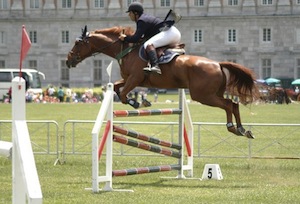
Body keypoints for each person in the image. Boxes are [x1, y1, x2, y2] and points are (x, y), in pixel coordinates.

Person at [119, 1, 181, 75]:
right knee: (151, 44)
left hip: (169, 33)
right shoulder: (144, 18)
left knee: (148, 45)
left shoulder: (142, 20)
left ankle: (155, 66)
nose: (129, 15)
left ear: (136, 13)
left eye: (130, 13)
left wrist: (125, 38)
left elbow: (135, 38)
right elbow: (144, 37)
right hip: (172, 33)